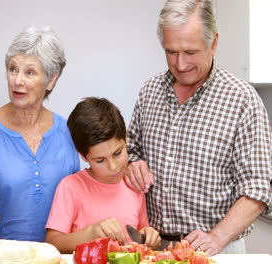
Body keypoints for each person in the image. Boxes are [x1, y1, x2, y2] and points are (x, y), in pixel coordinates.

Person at [125, 0, 272, 255]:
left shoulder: (242, 100)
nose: (180, 64)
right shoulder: (149, 92)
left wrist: (217, 237)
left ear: (213, 42)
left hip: (216, 248)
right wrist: (132, 164)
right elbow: (131, 150)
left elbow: (258, 188)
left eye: (190, 52)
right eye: (171, 52)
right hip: (153, 246)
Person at [0, 26, 80, 242]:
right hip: (1, 257)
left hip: (56, 257)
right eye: (13, 69)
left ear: (51, 79)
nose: (17, 81)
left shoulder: (68, 132)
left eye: (30, 72)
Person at [45, 97, 161, 253]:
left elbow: (142, 232)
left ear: (126, 140)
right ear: (84, 157)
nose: (113, 167)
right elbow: (52, 243)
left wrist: (149, 235)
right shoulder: (70, 187)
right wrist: (90, 233)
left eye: (118, 153)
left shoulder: (134, 185)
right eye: (100, 160)